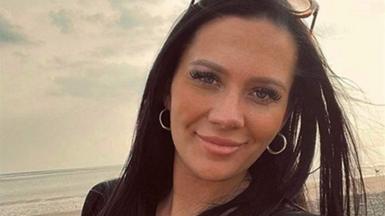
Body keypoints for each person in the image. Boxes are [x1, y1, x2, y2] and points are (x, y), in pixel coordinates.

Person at [81, 0, 367, 215]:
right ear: (167, 87)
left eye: (263, 93)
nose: (227, 116)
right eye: (206, 78)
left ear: (284, 115)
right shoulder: (106, 203)